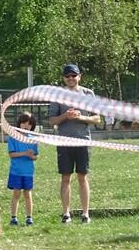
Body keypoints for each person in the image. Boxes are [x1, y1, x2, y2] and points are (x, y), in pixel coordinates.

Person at [48, 63, 100, 224]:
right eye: (67, 76)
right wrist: (65, 116)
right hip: (64, 142)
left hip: (83, 141)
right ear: (63, 78)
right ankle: (66, 214)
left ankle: (85, 213)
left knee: (82, 177)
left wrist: (80, 118)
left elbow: (97, 118)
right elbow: (51, 120)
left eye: (73, 75)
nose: (71, 78)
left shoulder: (88, 94)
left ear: (79, 76)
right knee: (65, 177)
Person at [7, 112, 39, 226]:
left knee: (27, 194)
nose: (26, 126)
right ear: (19, 123)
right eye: (24, 123)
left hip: (28, 172)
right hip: (16, 171)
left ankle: (29, 217)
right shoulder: (13, 137)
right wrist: (25, 153)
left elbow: (35, 156)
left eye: (29, 124)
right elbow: (12, 154)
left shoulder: (33, 139)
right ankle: (13, 217)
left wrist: (32, 156)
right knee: (16, 194)